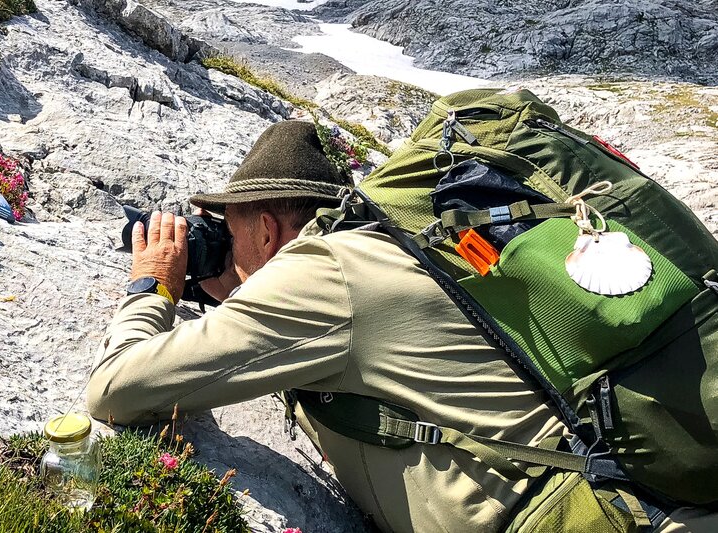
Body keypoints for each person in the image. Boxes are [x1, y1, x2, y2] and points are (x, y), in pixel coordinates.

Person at [84, 120, 711, 531]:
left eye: (232, 226)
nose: (222, 243)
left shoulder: (323, 275)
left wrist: (155, 287)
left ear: (266, 227)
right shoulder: (396, 248)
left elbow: (117, 390)